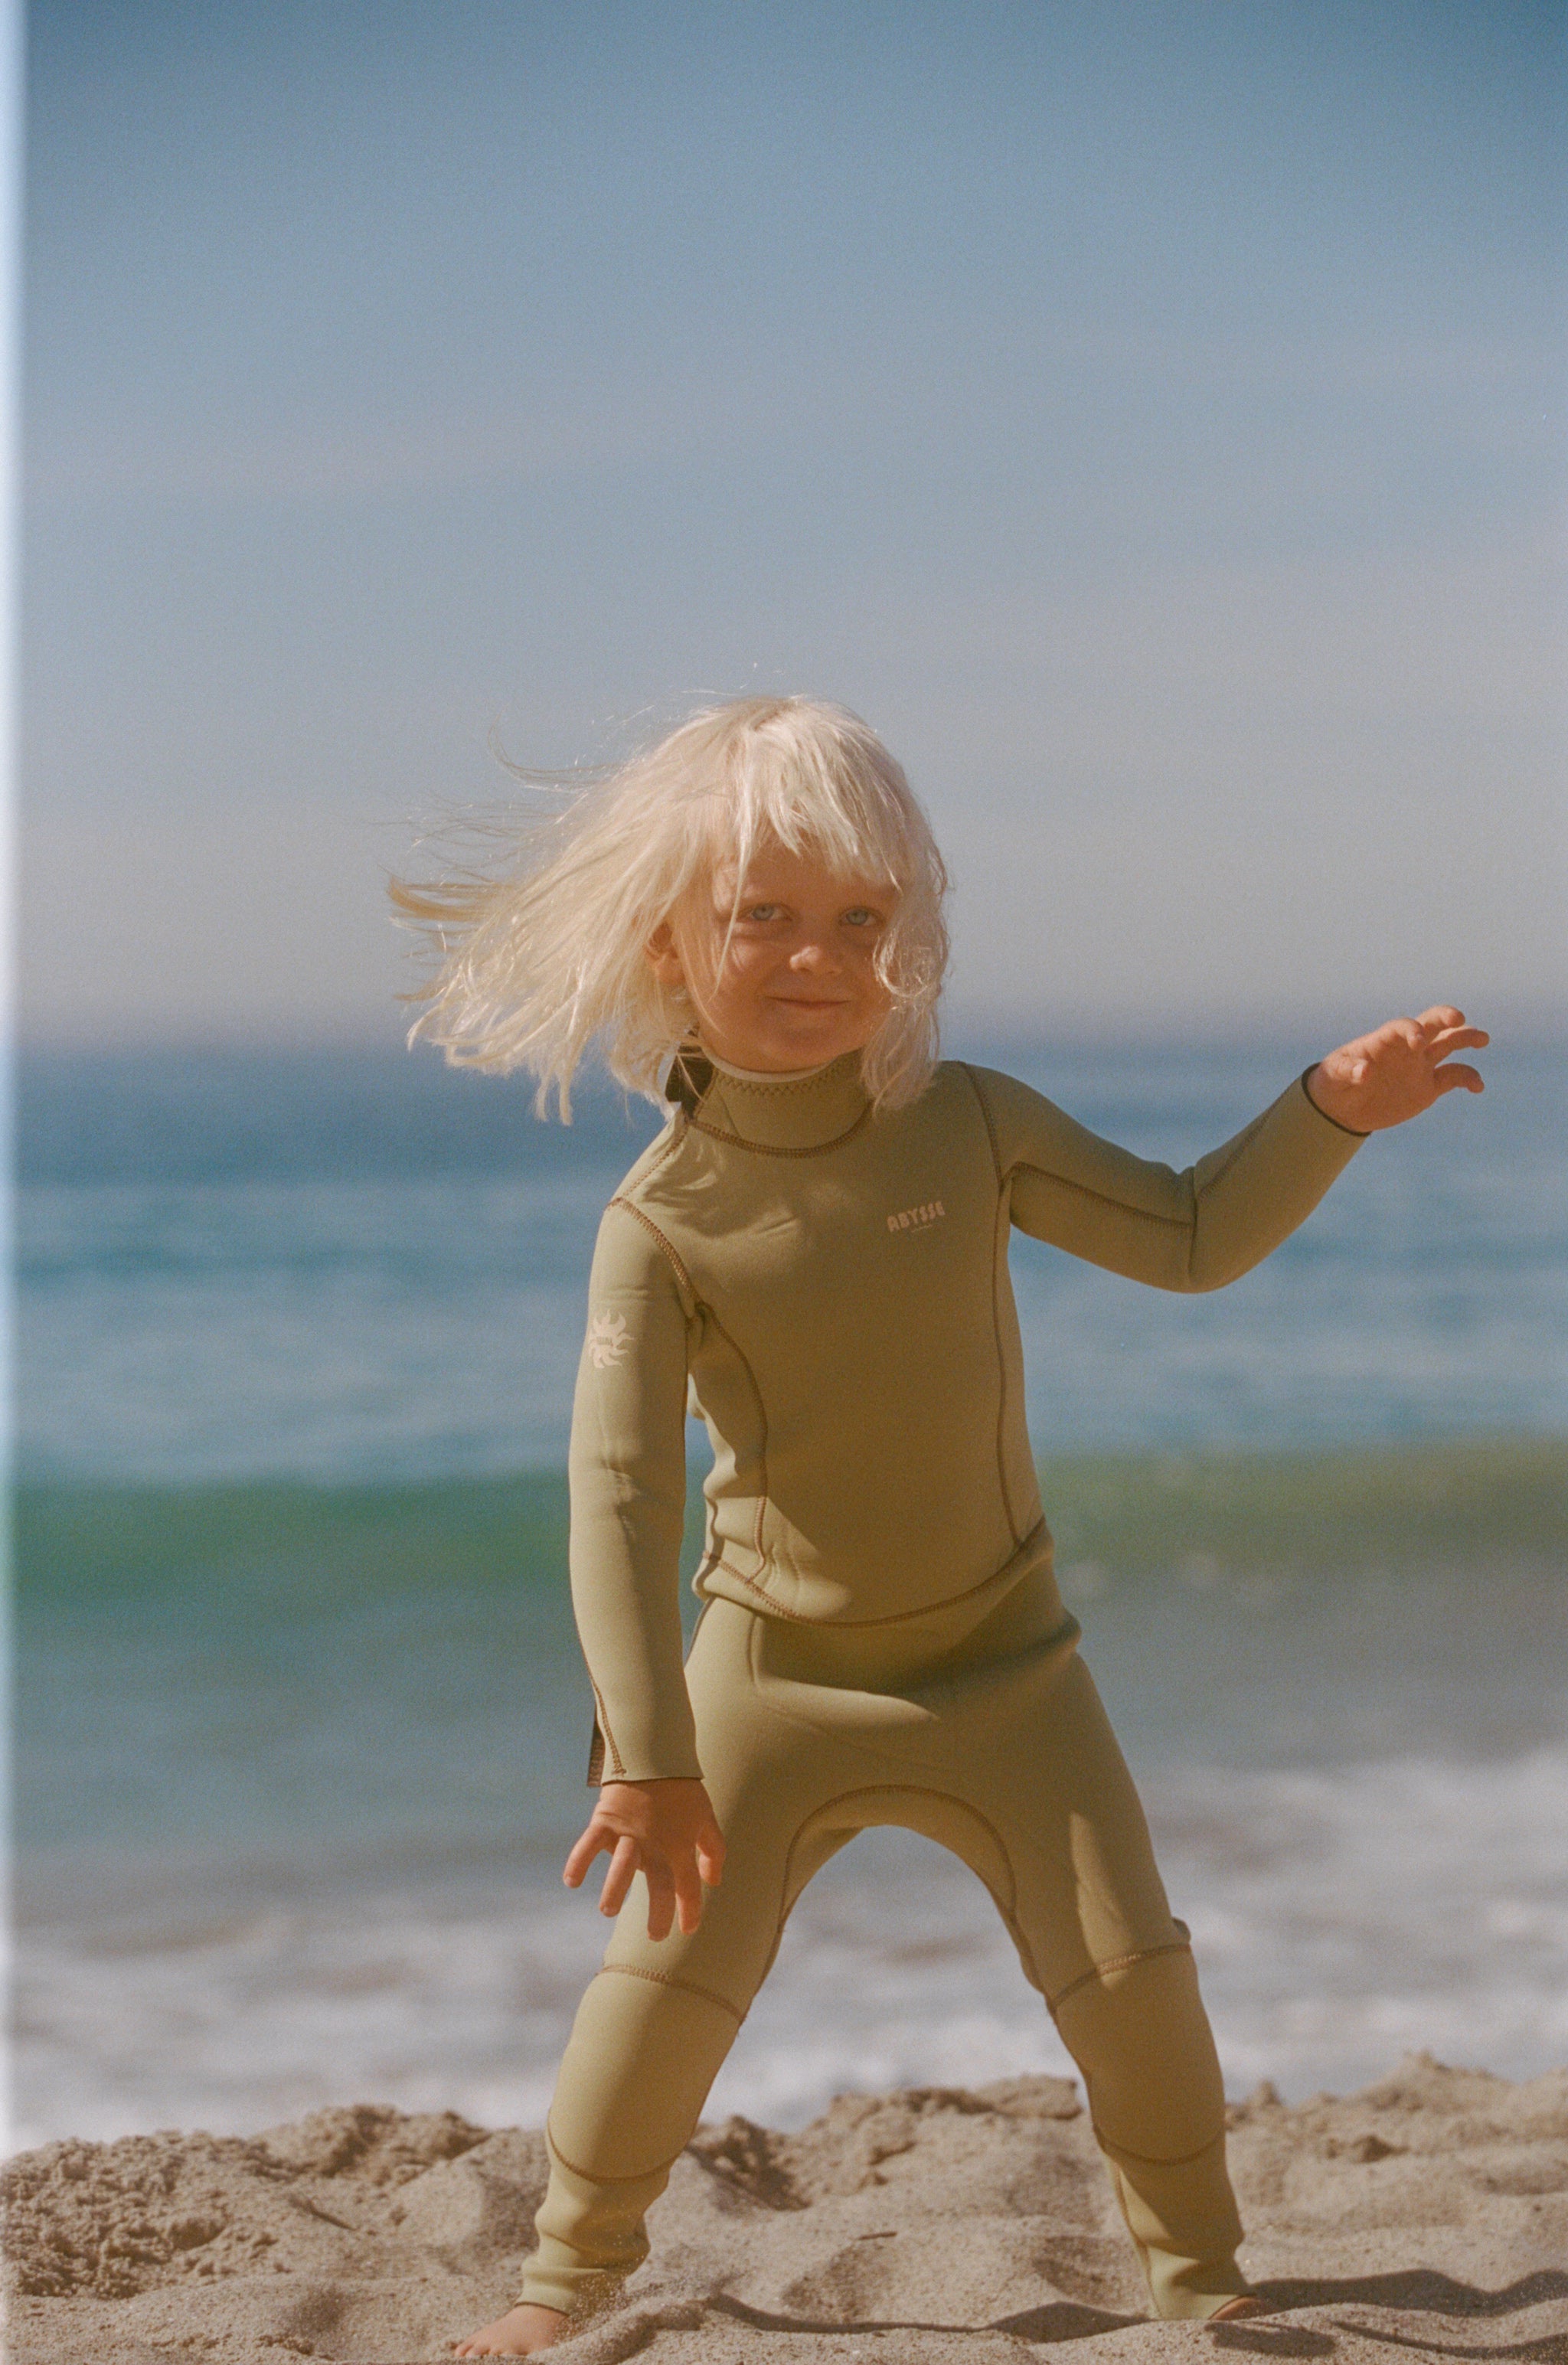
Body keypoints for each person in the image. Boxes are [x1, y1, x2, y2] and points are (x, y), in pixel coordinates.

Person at [390, 697, 1487, 2359]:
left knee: (1134, 1981)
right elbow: (614, 1496)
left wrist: (1324, 1110)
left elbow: (1189, 1238)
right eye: (762, 914)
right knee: (663, 1993)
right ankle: (560, 2283)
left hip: (1008, 1663)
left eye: (860, 920)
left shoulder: (968, 1125)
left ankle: (1197, 2282)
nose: (813, 957)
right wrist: (646, 1748)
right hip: (771, 1679)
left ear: (910, 938)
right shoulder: (663, 1220)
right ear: (671, 941)